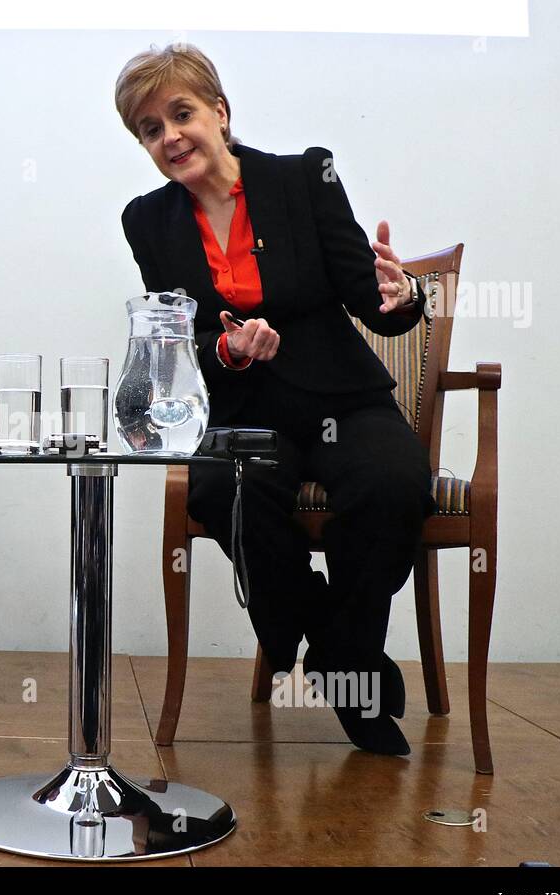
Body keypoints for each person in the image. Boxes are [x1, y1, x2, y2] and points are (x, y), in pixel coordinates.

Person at [115, 44, 437, 756]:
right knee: (231, 490)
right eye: (148, 128)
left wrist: (404, 294)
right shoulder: (148, 221)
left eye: (181, 113)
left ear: (220, 113)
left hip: (341, 397)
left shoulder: (302, 177)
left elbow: (374, 302)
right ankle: (339, 654)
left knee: (391, 483)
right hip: (242, 410)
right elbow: (175, 349)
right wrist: (226, 350)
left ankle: (339, 648)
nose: (169, 135)